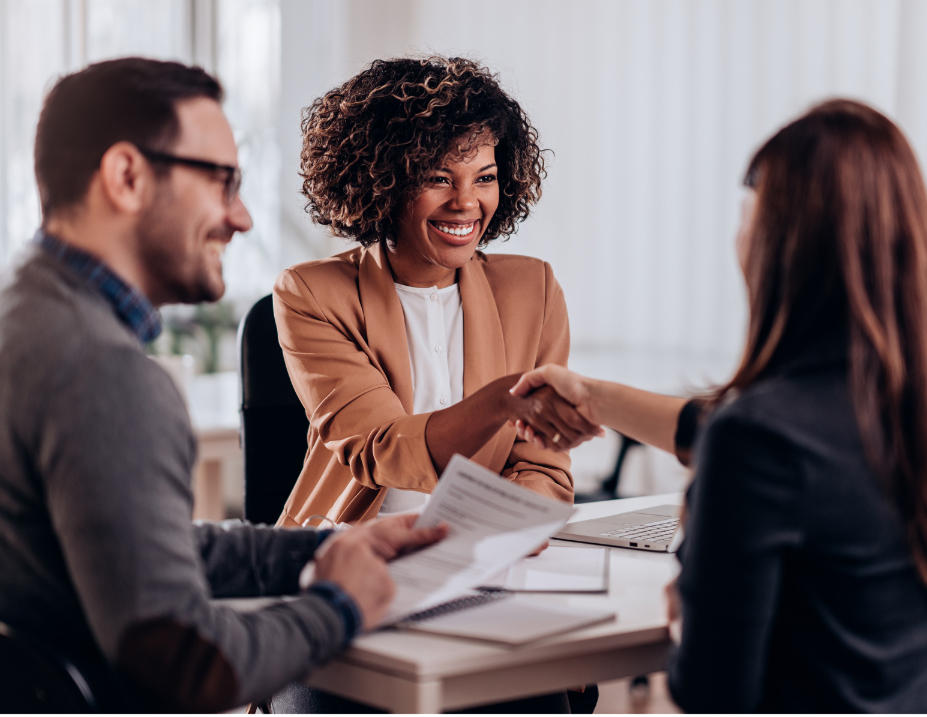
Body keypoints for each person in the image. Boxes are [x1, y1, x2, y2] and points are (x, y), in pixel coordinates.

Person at [0, 57, 446, 712]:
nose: (241, 218)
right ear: (125, 176)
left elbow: (141, 549)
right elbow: (185, 664)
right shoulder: (103, 373)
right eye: (222, 181)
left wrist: (327, 546)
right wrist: (338, 606)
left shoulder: (25, 321)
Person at [512, 99, 927, 711]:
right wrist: (594, 397)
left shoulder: (761, 438)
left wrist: (689, 608)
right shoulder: (890, 409)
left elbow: (710, 694)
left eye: (746, 214)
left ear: (780, 243)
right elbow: (759, 440)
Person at [274, 55, 601, 528]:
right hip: (353, 549)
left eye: (484, 178)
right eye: (438, 178)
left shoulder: (534, 290)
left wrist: (498, 535)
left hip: (483, 552)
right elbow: (380, 448)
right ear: (383, 181)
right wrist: (503, 401)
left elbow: (542, 467)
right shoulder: (313, 293)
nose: (467, 203)